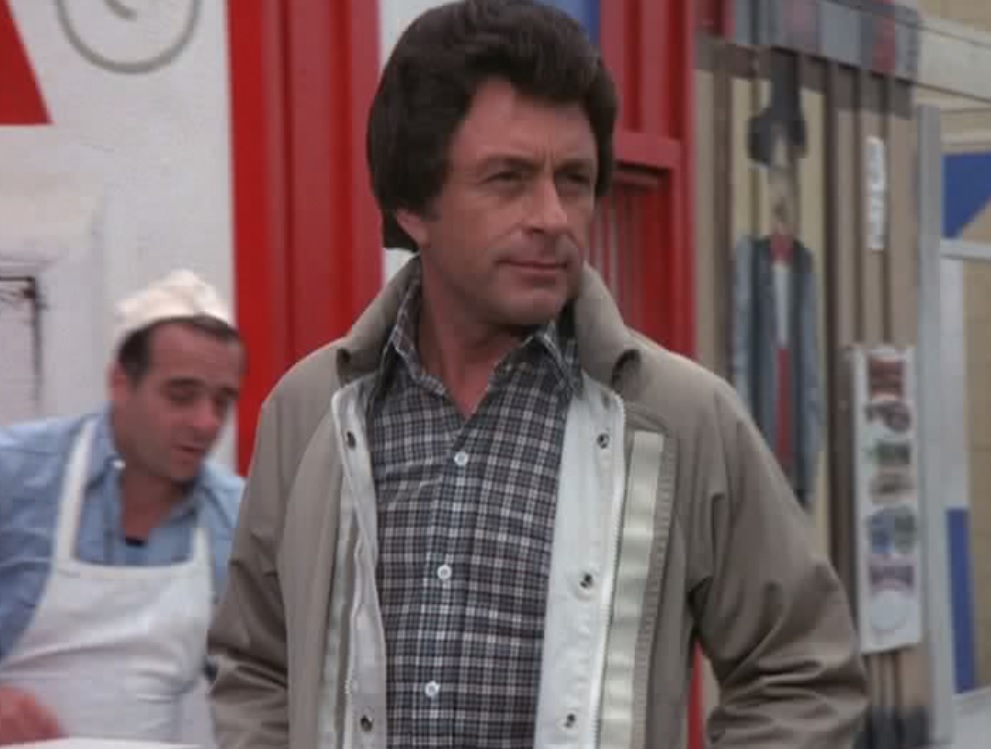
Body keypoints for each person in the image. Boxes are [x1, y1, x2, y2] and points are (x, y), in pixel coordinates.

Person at [208, 2, 868, 748]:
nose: (553, 216)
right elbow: (256, 664)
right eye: (509, 178)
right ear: (413, 205)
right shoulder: (311, 413)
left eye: (574, 179)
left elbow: (802, 672)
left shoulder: (682, 418)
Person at [0, 269, 245, 746]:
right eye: (181, 396)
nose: (206, 422)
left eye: (222, 401)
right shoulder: (17, 475)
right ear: (120, 382)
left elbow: (267, 686)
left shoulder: (234, 519)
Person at [731, 55, 823, 512]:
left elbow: (813, 365)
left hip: (795, 397)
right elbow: (741, 350)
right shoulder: (751, 255)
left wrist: (814, 445)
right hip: (765, 389)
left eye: (788, 175)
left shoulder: (805, 263)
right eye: (775, 175)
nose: (783, 190)